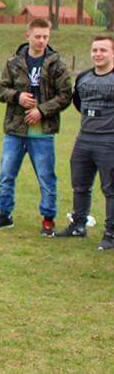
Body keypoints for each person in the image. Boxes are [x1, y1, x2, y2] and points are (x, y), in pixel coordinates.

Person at [0, 18, 73, 235]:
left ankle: (48, 219)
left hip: (42, 133)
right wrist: (17, 96)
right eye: (37, 36)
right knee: (6, 175)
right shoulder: (13, 62)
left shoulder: (56, 65)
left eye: (45, 37)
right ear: (27, 36)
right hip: (15, 131)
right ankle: (4, 215)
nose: (41, 41)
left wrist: (41, 111)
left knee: (46, 178)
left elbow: (66, 95)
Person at [54, 34, 114, 250]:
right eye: (95, 50)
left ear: (112, 53)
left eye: (103, 50)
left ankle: (111, 233)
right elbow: (79, 103)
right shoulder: (83, 78)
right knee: (80, 185)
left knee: (110, 189)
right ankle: (78, 225)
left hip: (109, 141)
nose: (98, 54)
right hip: (84, 139)